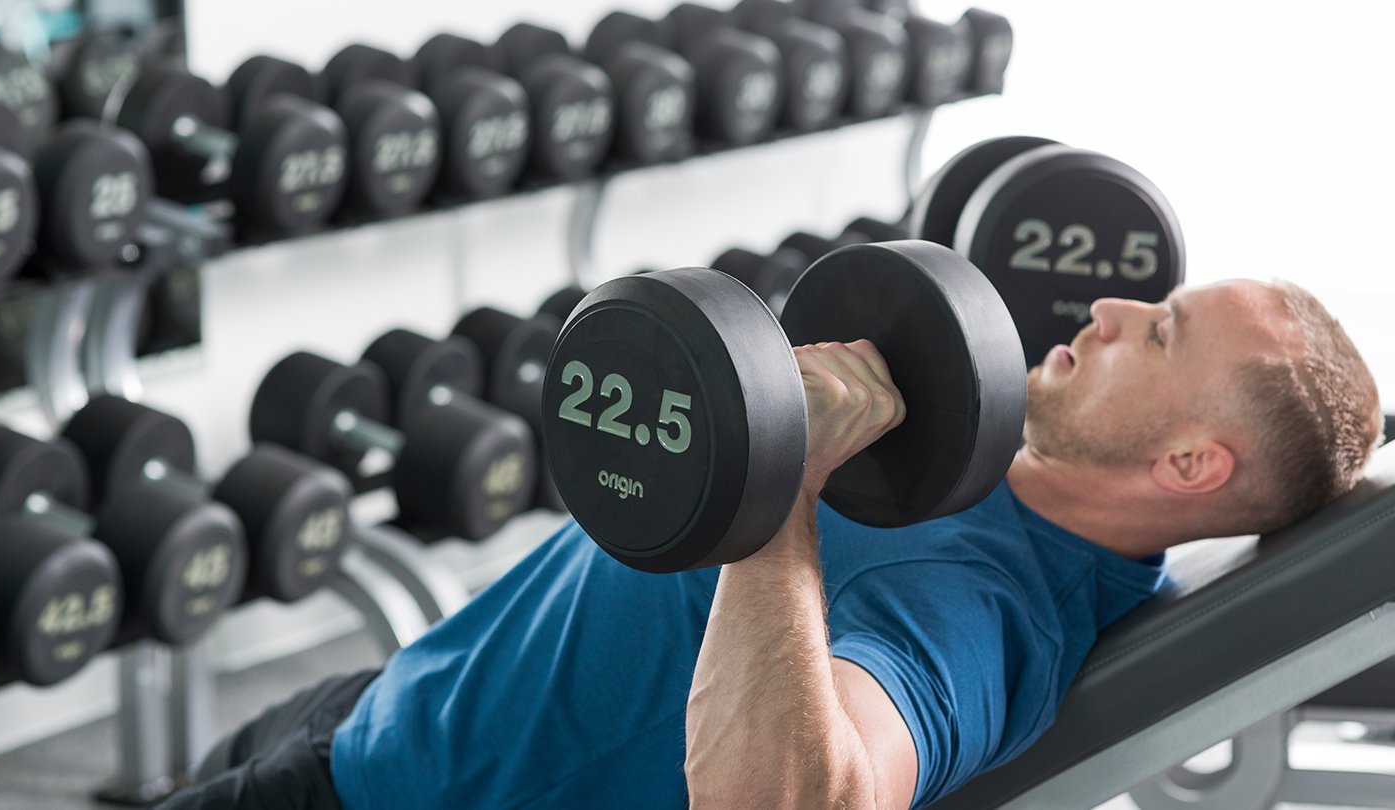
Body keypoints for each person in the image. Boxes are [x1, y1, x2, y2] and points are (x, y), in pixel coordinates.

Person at [160, 279, 1384, 810]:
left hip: (397, 795)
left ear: (1188, 468)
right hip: (402, 697)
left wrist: (778, 494)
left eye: (1158, 333)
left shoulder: (986, 616)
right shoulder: (997, 447)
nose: (1112, 309)